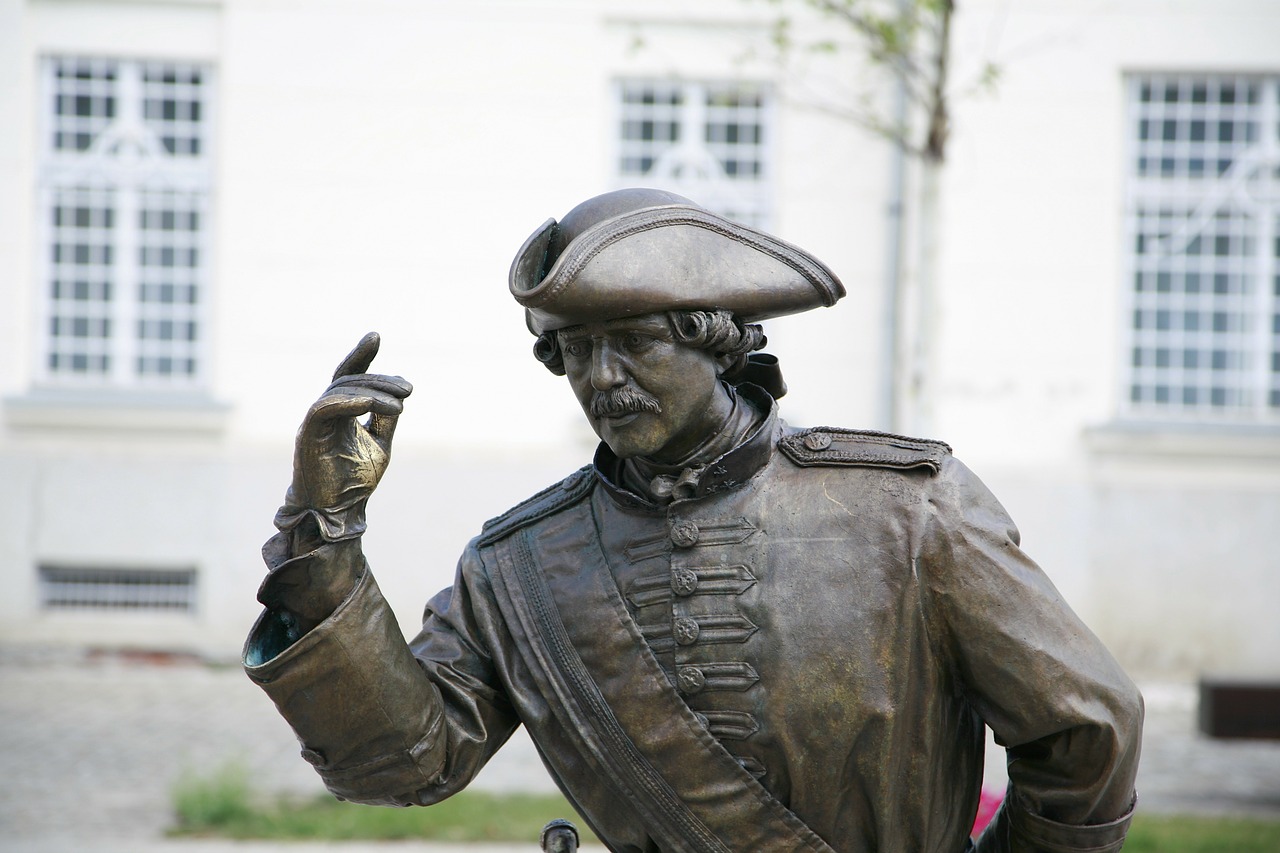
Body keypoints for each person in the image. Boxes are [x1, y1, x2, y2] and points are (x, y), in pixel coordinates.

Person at [244, 188, 1142, 853]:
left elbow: (1086, 729)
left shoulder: (906, 510)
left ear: (715, 339)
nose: (601, 377)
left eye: (634, 341)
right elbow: (405, 762)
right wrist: (323, 531)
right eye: (577, 350)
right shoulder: (520, 567)